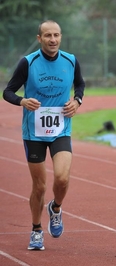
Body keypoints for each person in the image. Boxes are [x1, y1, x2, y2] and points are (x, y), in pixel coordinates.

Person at [3, 20, 85, 251]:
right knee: (39, 186)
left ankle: (56, 208)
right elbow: (8, 92)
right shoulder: (28, 63)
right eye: (47, 35)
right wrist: (23, 101)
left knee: (62, 178)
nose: (52, 39)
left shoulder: (70, 60)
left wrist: (77, 101)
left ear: (61, 37)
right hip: (34, 133)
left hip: (61, 129)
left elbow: (80, 84)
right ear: (39, 38)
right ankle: (36, 230)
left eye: (56, 35)